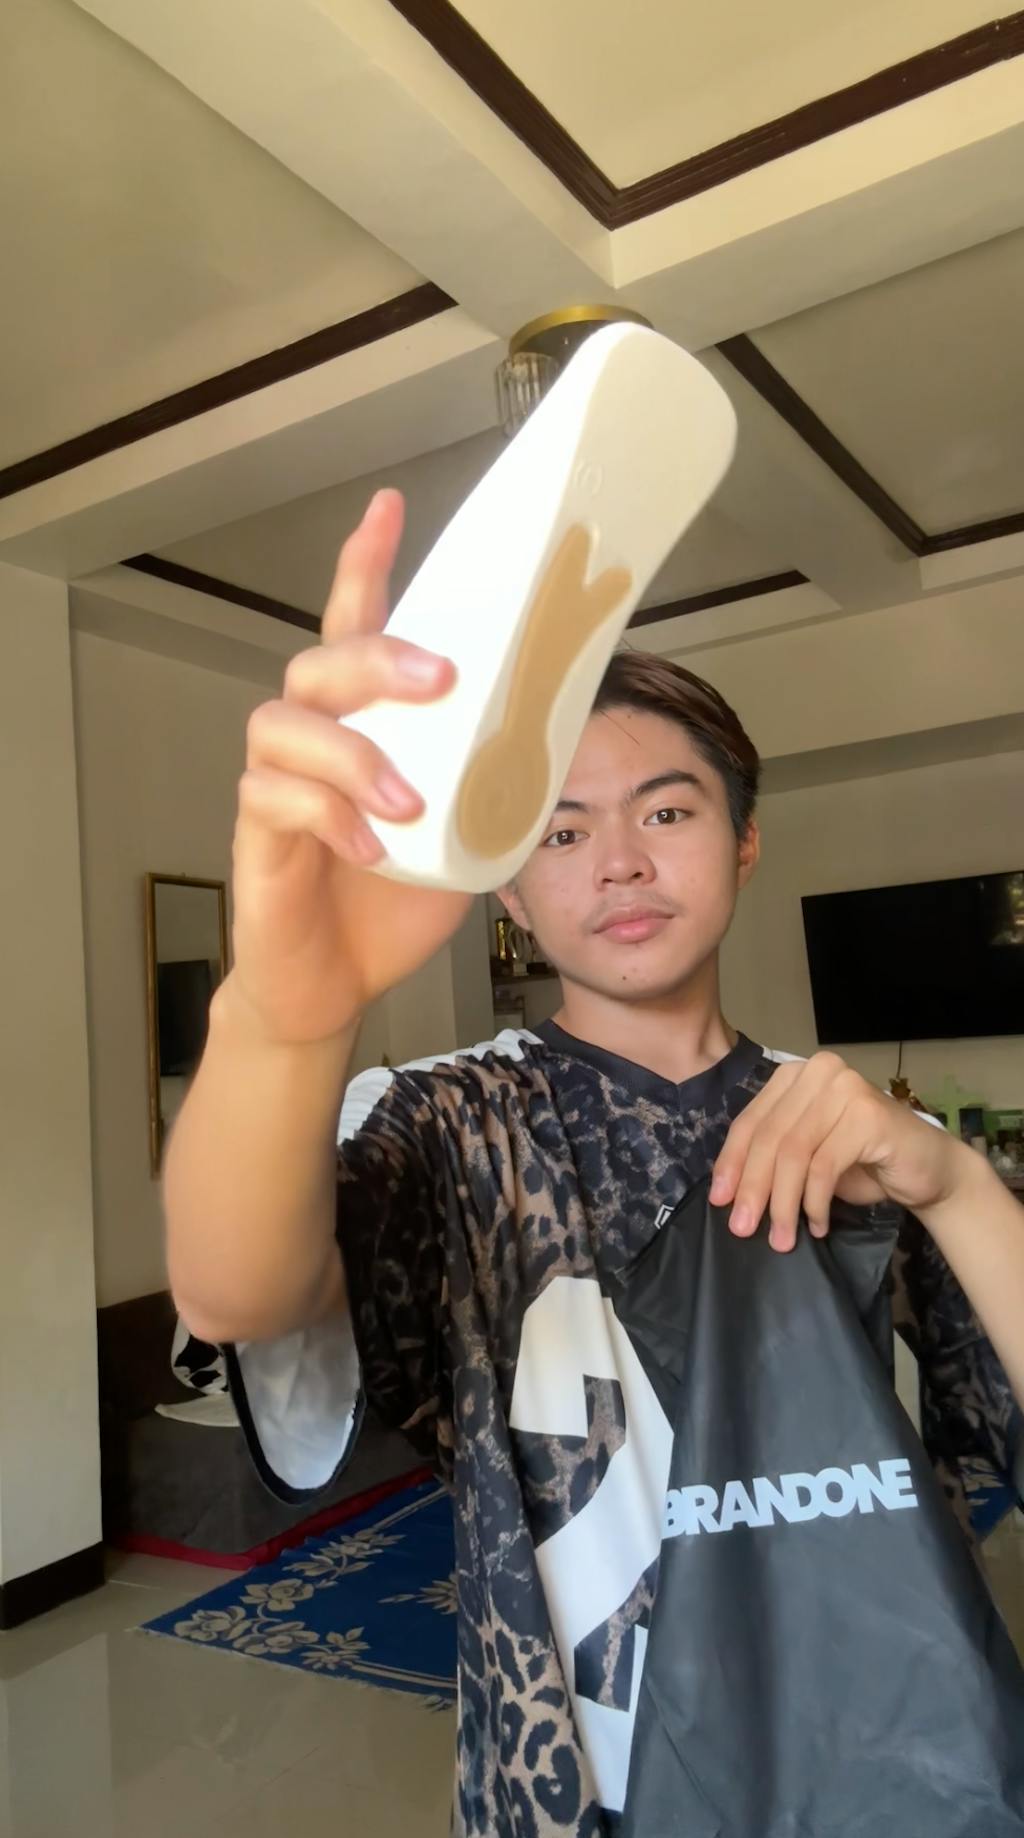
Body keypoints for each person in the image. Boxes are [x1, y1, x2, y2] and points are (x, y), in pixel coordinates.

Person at [165, 489, 1024, 1837]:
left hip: (883, 1768)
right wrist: (280, 1016)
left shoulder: (844, 1132)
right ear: (509, 891)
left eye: (666, 811)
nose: (619, 862)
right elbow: (235, 1291)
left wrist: (957, 1184)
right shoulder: (454, 1122)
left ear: (744, 840)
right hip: (568, 1796)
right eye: (561, 832)